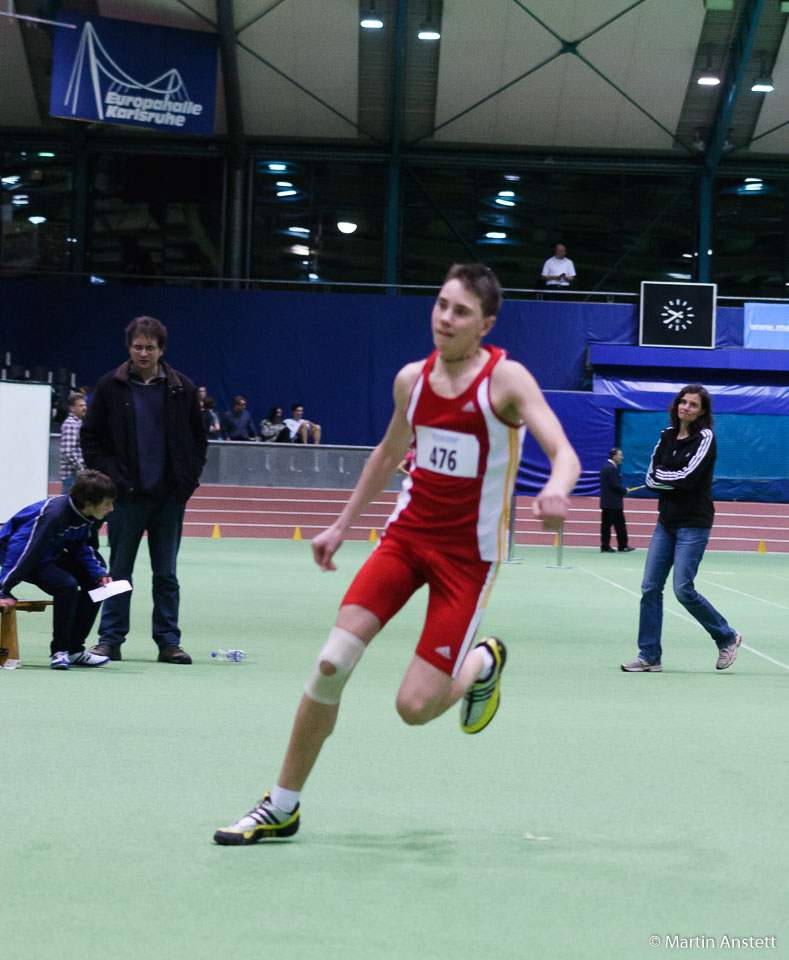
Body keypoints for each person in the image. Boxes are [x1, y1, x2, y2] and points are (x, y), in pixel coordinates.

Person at [214, 262, 580, 845]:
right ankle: (282, 805)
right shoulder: (413, 379)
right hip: (405, 541)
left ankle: (482, 664)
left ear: (485, 323)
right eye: (440, 304)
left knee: (413, 707)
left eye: (461, 311)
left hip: (468, 561)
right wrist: (340, 526)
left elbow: (564, 451)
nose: (445, 318)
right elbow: (387, 455)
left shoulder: (507, 382)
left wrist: (557, 487)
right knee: (331, 662)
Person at [80, 315, 207, 664]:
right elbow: (90, 438)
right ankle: (110, 640)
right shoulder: (109, 386)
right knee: (118, 572)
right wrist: (113, 480)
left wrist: (187, 480)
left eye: (150, 347)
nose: (143, 353)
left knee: (166, 573)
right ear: (128, 348)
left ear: (161, 349)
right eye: (137, 347)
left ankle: (168, 642)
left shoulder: (183, 388)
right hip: (125, 500)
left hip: (168, 497)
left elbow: (199, 438)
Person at [621, 384, 741, 674]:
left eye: (693, 404)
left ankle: (726, 636)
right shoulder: (666, 436)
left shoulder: (705, 437)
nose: (686, 407)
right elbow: (651, 478)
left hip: (694, 523)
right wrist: (670, 477)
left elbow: (688, 478)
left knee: (683, 589)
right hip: (666, 523)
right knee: (650, 588)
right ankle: (649, 656)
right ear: (676, 406)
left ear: (702, 411)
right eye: (683, 402)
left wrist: (668, 477)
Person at [0, 470, 116, 670]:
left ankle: (75, 649)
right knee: (66, 586)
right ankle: (59, 651)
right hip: (22, 554)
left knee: (95, 584)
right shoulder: (53, 515)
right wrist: (4, 588)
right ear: (89, 503)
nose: (111, 509)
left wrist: (99, 574)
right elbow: (24, 550)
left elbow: (84, 547)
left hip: (51, 552)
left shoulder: (87, 516)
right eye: (107, 503)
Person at [600, 447, 634, 553]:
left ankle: (605, 546)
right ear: (614, 457)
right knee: (620, 525)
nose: (622, 457)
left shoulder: (605, 467)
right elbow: (615, 486)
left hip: (606, 503)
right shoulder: (611, 469)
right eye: (620, 455)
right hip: (614, 504)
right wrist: (624, 490)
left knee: (606, 526)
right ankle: (622, 546)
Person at [59, 392, 87, 493]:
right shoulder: (70, 424)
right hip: (72, 476)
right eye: (80, 405)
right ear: (72, 408)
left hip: (76, 476)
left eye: (85, 405)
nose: (84, 407)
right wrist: (82, 470)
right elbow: (68, 452)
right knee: (69, 505)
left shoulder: (78, 423)